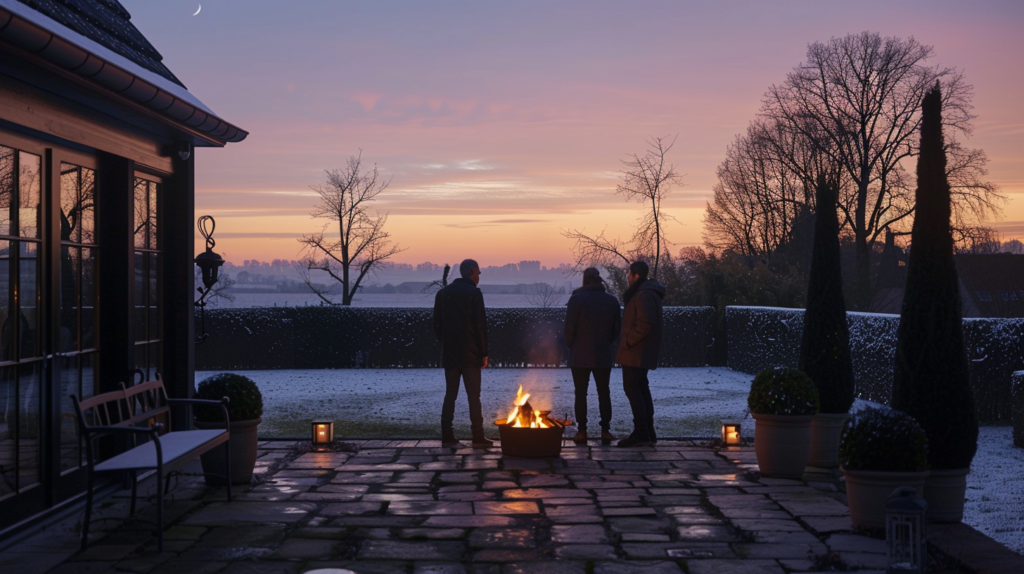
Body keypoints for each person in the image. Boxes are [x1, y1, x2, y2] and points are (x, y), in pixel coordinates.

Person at [433, 259, 493, 448]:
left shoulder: (442, 294)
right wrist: (484, 352)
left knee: (450, 394)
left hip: (450, 354)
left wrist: (448, 340)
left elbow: (437, 325)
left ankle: (447, 434)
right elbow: (480, 325)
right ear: (471, 272)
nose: (479, 276)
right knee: (473, 396)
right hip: (471, 355)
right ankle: (477, 435)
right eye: (478, 272)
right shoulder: (474, 294)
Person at [564, 267, 621, 445]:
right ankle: (605, 429)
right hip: (602, 352)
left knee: (580, 393)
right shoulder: (611, 300)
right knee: (604, 392)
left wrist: (573, 345)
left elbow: (569, 329)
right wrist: (605, 342)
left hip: (580, 353)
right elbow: (616, 329)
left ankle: (582, 430)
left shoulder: (576, 300)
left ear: (585, 280)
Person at [615, 260, 666, 447]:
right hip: (638, 352)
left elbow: (645, 324)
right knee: (641, 389)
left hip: (636, 353)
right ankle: (647, 431)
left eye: (629, 274)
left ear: (636, 275)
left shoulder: (643, 294)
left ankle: (642, 431)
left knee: (634, 390)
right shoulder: (646, 292)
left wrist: (628, 340)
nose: (627, 277)